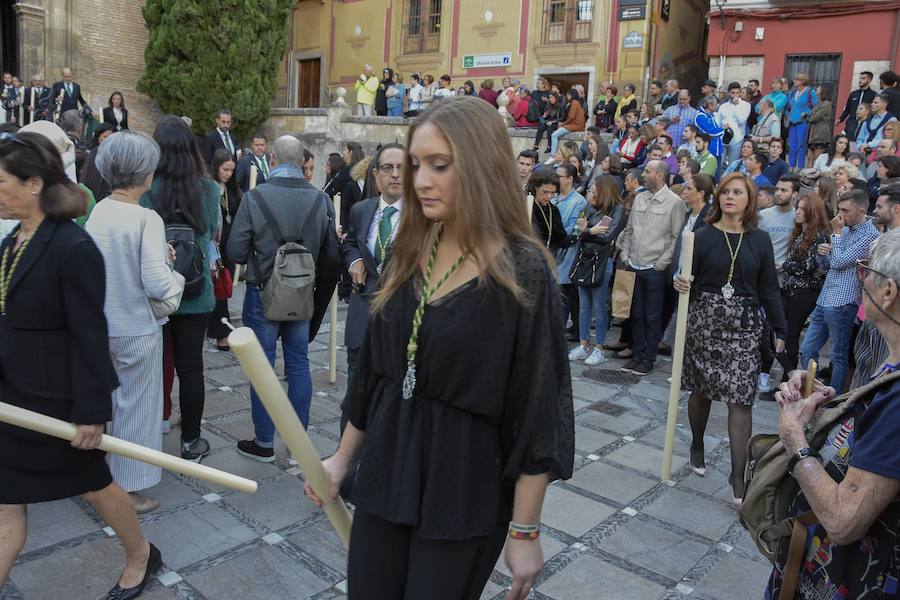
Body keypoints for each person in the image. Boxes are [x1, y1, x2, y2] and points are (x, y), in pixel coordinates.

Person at [304, 96, 574, 600]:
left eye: (439, 165)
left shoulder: (524, 270)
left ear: (481, 166)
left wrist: (525, 529)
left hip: (464, 480)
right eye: (415, 165)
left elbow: (540, 409)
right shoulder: (411, 242)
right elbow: (376, 374)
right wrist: (341, 459)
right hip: (388, 462)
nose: (420, 180)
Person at [0, 131, 162, 599]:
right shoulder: (14, 241)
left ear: (34, 183)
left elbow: (91, 334)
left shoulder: (73, 247)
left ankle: (140, 555)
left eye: (2, 181)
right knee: (7, 502)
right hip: (15, 396)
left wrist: (92, 411)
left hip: (57, 400)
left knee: (95, 486)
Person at [768, 227, 900, 600]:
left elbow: (844, 519)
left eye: (865, 269)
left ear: (888, 292)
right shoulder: (886, 356)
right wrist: (832, 408)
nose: (860, 277)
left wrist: (795, 438)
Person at [85, 130, 183, 514]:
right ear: (144, 173)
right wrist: (175, 277)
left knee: (110, 404)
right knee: (138, 411)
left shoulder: (99, 211)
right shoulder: (146, 217)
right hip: (137, 327)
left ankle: (103, 479)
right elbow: (157, 282)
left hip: (102, 323)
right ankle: (128, 489)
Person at [674, 173, 786, 502]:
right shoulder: (702, 235)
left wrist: (780, 329)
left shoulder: (760, 240)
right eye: (725, 192)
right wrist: (681, 282)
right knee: (702, 390)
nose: (729, 197)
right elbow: (685, 279)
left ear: (749, 200)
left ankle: (738, 477)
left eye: (737, 192)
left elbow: (769, 288)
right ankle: (697, 443)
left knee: (741, 398)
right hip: (705, 321)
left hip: (745, 325)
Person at [227, 135, 340, 461]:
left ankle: (263, 442)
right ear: (301, 162)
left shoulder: (255, 197)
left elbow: (235, 251)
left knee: (262, 367)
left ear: (272, 160)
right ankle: (298, 443)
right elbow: (328, 252)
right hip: (302, 294)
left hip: (262, 294)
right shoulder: (320, 200)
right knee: (300, 365)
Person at [141, 116, 219, 460]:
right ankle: (191, 441)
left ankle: (147, 433)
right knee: (191, 367)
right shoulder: (208, 188)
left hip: (155, 289)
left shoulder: (147, 187)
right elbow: (213, 230)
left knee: (153, 367)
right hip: (195, 289)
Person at [340, 144, 404, 430]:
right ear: (376, 175)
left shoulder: (424, 219)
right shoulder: (362, 210)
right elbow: (351, 243)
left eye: (402, 168)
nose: (395, 174)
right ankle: (345, 464)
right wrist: (353, 260)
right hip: (362, 316)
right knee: (356, 395)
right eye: (388, 168)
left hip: (400, 322)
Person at [800, 189, 880, 394]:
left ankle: (832, 400)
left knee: (838, 356)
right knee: (808, 348)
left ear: (861, 210)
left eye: (845, 210)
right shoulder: (844, 228)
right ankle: (811, 392)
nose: (839, 215)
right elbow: (827, 266)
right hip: (825, 297)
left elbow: (840, 262)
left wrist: (835, 237)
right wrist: (822, 255)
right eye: (838, 209)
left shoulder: (870, 234)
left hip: (844, 302)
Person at [616, 160, 682, 375]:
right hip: (634, 262)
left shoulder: (674, 202)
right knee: (635, 314)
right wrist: (625, 254)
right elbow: (629, 228)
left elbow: (675, 237)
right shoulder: (640, 197)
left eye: (648, 171)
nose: (644, 174)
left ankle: (648, 358)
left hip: (654, 267)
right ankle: (637, 353)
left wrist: (661, 263)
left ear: (660, 175)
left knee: (652, 316)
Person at [568, 175, 625, 366]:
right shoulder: (588, 207)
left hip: (602, 260)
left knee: (599, 307)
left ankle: (599, 347)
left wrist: (587, 231)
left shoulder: (616, 209)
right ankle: (583, 344)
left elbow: (606, 236)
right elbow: (576, 231)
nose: (591, 192)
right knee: (584, 305)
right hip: (584, 258)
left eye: (594, 189)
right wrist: (590, 231)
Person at [780, 192, 830, 379]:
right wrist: (790, 265)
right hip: (791, 289)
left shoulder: (820, 237)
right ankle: (788, 374)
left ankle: (787, 378)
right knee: (777, 331)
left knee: (791, 334)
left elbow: (807, 269)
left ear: (812, 212)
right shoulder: (800, 233)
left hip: (806, 292)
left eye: (803, 209)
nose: (798, 212)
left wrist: (786, 265)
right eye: (797, 208)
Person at [206, 149, 241, 351]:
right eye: (224, 169)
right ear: (216, 167)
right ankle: (220, 331)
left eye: (231, 170)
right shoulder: (209, 187)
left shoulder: (232, 189)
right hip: (213, 244)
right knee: (215, 287)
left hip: (228, 245)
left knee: (222, 287)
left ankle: (219, 328)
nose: (228, 174)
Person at [554, 161, 587, 340]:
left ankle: (570, 329)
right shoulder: (552, 196)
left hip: (568, 253)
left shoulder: (578, 202)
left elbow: (573, 228)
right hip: (553, 251)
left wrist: (553, 231)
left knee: (567, 293)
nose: (556, 178)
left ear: (570, 179)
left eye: (559, 176)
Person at [785, 73, 819, 169]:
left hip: (803, 122)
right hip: (792, 122)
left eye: (796, 80)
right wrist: (788, 115)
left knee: (801, 146)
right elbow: (788, 107)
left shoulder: (810, 92)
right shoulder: (792, 93)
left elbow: (816, 107)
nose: (794, 81)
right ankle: (791, 167)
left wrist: (807, 113)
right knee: (792, 146)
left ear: (802, 81)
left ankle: (800, 168)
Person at [528, 169, 566, 249]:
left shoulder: (553, 210)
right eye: (545, 192)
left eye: (552, 193)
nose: (549, 196)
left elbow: (561, 239)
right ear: (536, 187)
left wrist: (579, 232)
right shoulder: (524, 204)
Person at [80, 122, 117, 202]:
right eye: (105, 137)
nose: (108, 140)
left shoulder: (116, 157)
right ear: (98, 137)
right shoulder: (93, 154)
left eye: (112, 138)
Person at [837, 71, 876, 139]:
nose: (860, 80)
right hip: (851, 124)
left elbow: (874, 111)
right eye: (859, 78)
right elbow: (847, 109)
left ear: (869, 80)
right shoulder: (853, 94)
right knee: (849, 145)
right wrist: (840, 119)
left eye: (863, 78)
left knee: (858, 146)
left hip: (864, 125)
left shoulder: (873, 95)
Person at [549, 89, 585, 158]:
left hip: (575, 125)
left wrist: (563, 124)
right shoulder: (576, 102)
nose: (566, 96)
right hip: (576, 124)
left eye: (568, 94)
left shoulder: (574, 102)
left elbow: (571, 117)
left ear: (572, 95)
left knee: (554, 135)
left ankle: (552, 155)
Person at [694, 95, 725, 164]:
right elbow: (711, 133)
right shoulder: (700, 116)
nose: (717, 107)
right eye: (716, 104)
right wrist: (723, 128)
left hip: (716, 151)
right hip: (707, 151)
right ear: (710, 105)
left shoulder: (711, 116)